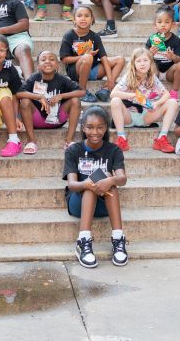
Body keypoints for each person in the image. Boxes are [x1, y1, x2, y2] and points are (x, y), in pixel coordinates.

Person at [63, 106, 129, 268]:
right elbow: (71, 184)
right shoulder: (74, 150)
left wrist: (110, 180)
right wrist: (87, 183)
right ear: (83, 128)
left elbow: (122, 178)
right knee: (91, 184)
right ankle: (83, 241)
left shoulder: (113, 150)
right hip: (79, 203)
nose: (95, 132)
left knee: (110, 182)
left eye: (100, 127)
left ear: (106, 128)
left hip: (104, 204)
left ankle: (118, 239)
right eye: (90, 127)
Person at [109, 48, 180, 153]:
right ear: (133, 64)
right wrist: (132, 95)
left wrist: (157, 103)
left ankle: (161, 139)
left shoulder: (152, 78)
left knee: (173, 102)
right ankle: (121, 139)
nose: (142, 64)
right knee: (115, 100)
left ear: (151, 62)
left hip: (146, 115)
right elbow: (113, 93)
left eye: (145, 60)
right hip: (128, 115)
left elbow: (167, 95)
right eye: (138, 61)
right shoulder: (128, 76)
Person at [18, 50, 86, 150]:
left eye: (52, 59)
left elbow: (81, 92)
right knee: (24, 101)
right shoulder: (34, 78)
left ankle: (69, 141)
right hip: (37, 120)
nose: (47, 61)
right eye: (43, 59)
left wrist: (62, 96)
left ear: (57, 65)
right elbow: (19, 93)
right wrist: (39, 97)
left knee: (75, 100)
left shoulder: (62, 79)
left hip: (57, 119)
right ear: (38, 66)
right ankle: (31, 141)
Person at [59, 5, 124, 104]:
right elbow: (64, 59)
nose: (83, 18)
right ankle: (82, 91)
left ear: (91, 19)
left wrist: (110, 78)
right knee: (88, 57)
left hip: (92, 70)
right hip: (75, 71)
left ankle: (105, 89)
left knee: (120, 59)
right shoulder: (69, 35)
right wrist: (83, 56)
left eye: (86, 16)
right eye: (79, 16)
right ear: (74, 19)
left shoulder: (95, 36)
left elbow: (103, 57)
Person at [145, 6, 180, 101]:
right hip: (155, 72)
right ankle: (153, 90)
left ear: (173, 24)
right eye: (159, 22)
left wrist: (173, 56)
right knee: (148, 65)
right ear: (155, 24)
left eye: (167, 22)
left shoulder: (176, 40)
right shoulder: (152, 39)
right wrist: (150, 53)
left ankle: (174, 92)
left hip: (169, 72)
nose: (163, 25)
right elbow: (144, 58)